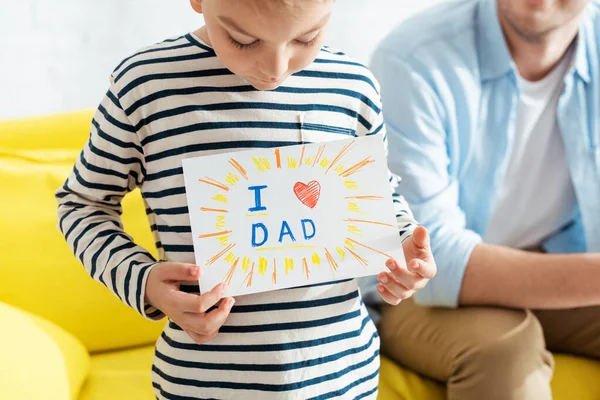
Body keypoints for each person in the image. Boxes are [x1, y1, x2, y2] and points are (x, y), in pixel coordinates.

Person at [55, 0, 437, 398]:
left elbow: (380, 193)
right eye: (243, 40)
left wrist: (402, 246)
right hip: (204, 383)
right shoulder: (146, 85)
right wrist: (144, 281)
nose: (275, 68)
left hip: (343, 376)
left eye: (306, 37)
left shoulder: (352, 84)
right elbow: (82, 204)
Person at [368, 0, 600, 398]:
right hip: (414, 290)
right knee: (505, 354)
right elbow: (430, 252)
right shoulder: (413, 59)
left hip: (557, 254)